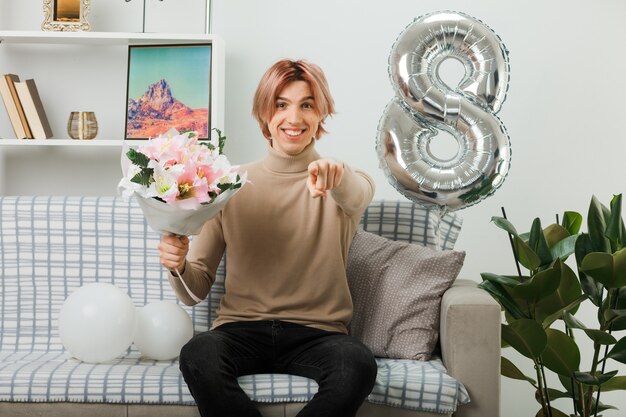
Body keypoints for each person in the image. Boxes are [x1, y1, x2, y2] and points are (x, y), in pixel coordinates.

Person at [158, 59, 377, 417]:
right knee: (198, 353)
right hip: (241, 331)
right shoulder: (227, 185)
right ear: (265, 114)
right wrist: (177, 264)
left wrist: (335, 174)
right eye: (281, 104)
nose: (294, 118)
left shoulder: (345, 182)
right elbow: (195, 290)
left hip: (319, 334)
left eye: (307, 105)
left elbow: (355, 194)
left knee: (358, 364)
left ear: (321, 114)